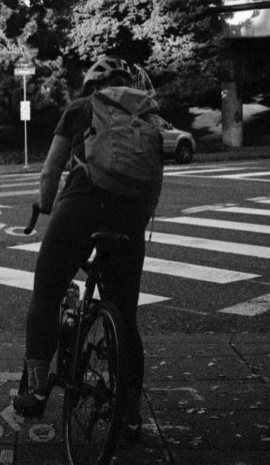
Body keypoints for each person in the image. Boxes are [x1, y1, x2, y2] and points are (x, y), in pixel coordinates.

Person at [13, 56, 163, 442]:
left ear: (91, 85)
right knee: (125, 317)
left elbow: (50, 171)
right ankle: (130, 414)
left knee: (46, 293)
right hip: (128, 217)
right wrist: (137, 220)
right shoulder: (147, 117)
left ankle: (36, 386)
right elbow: (154, 183)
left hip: (80, 208)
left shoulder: (80, 108)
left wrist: (45, 207)